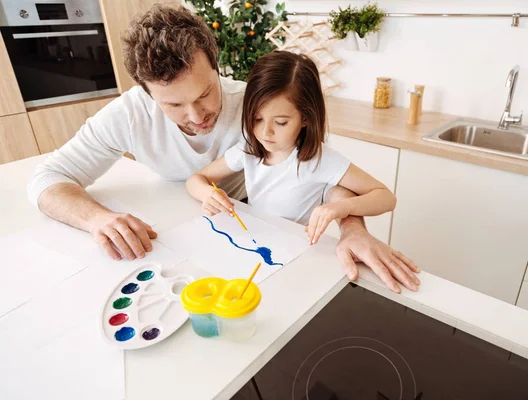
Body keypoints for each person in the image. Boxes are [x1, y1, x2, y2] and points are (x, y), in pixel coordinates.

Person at [26, 5, 420, 293]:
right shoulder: (128, 115)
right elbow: (47, 179)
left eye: (205, 94)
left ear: (217, 66)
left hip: (266, 235)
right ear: (147, 93)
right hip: (188, 235)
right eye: (173, 105)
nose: (196, 115)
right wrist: (97, 220)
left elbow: (324, 177)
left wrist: (351, 226)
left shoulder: (257, 106)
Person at [186, 51, 397, 247]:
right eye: (257, 119)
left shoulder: (319, 160)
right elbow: (196, 179)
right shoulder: (248, 149)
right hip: (256, 242)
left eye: (280, 122)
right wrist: (207, 194)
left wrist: (341, 208)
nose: (265, 132)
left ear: (305, 118)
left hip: (294, 250)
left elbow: (386, 197)